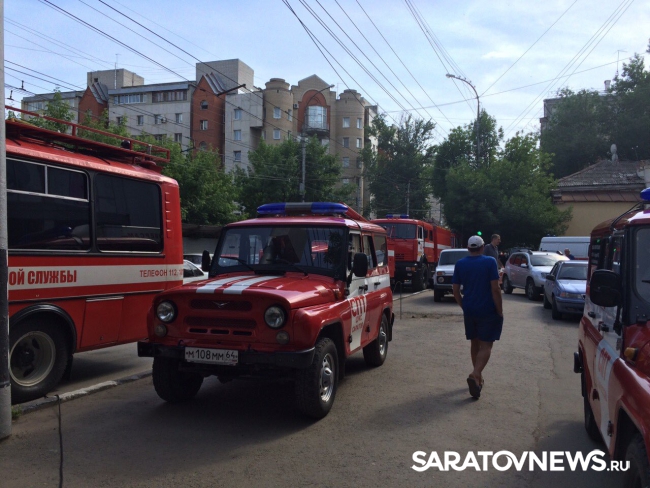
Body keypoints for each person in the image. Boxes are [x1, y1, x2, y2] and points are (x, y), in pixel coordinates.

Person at [452, 235, 504, 400]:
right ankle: (475, 373)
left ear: (468, 248)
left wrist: (463, 305)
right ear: (482, 248)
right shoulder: (489, 262)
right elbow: (495, 289)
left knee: (474, 342)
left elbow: (455, 289)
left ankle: (478, 379)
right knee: (486, 345)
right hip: (488, 310)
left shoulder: (460, 264)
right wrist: (499, 310)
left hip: (470, 310)